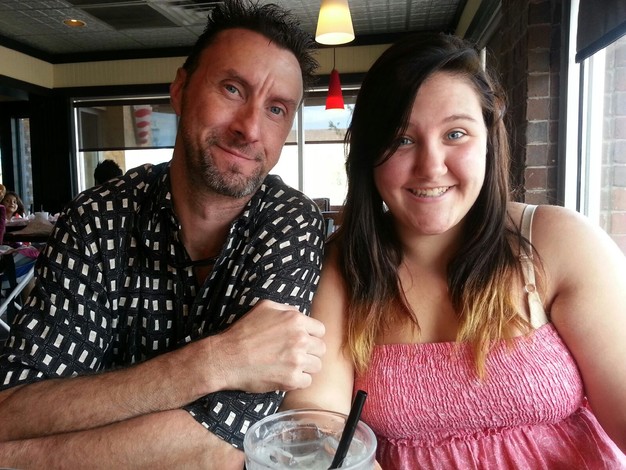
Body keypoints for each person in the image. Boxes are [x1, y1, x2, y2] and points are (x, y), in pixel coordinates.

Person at [0, 1, 327, 468]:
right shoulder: (97, 217)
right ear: (180, 90)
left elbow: (223, 446)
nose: (250, 128)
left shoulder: (289, 222)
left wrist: (18, 458)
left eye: (276, 109)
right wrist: (216, 361)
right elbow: (13, 408)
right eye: (232, 89)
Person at [282, 33, 626, 468]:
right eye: (402, 139)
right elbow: (319, 423)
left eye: (456, 134)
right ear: (369, 155)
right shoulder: (344, 266)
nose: (431, 166)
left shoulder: (557, 240)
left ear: (489, 140)